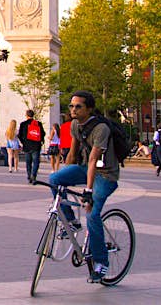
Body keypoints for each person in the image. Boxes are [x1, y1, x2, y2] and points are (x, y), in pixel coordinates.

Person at [49, 91, 120, 283]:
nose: (73, 109)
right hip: (84, 168)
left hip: (105, 175)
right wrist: (63, 176)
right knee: (54, 179)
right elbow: (73, 154)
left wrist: (88, 192)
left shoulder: (101, 128)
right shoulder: (74, 125)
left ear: (89, 109)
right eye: (71, 106)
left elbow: (93, 160)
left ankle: (101, 262)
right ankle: (71, 222)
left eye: (78, 106)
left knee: (92, 214)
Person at [18, 109, 45, 183]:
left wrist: (23, 142)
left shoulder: (23, 124)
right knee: (36, 162)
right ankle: (34, 175)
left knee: (28, 162)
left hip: (27, 146)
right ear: (33, 115)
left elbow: (19, 135)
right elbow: (43, 133)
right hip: (36, 145)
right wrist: (41, 141)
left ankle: (29, 175)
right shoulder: (38, 123)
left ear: (26, 115)